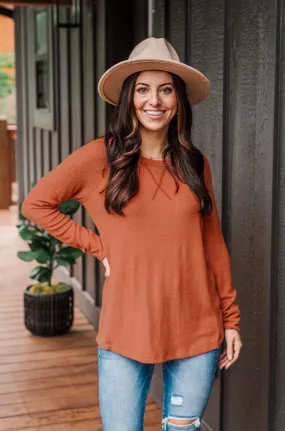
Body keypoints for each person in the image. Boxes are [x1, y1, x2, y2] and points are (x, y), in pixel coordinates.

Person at [21, 37, 242, 430]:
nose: (153, 101)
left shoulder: (194, 163)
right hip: (126, 328)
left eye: (165, 90)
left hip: (197, 326)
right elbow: (36, 204)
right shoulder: (98, 158)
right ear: (129, 98)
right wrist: (99, 246)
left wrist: (230, 319)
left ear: (178, 101)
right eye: (143, 89)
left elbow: (213, 244)